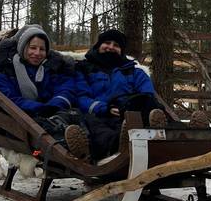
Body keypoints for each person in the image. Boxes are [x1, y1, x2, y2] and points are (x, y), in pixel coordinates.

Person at [0, 25, 88, 159]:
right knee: (47, 127)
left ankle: (85, 145)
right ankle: (69, 149)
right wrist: (41, 108)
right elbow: (9, 98)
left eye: (42, 49)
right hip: (22, 121)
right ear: (23, 47)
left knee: (75, 116)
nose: (37, 53)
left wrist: (56, 103)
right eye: (33, 48)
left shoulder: (52, 67)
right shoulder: (6, 70)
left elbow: (65, 86)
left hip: (53, 113)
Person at [73, 29, 173, 161]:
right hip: (100, 114)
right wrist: (105, 108)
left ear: (121, 50)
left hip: (130, 112)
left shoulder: (133, 71)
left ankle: (182, 134)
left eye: (116, 45)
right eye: (107, 43)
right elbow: (81, 97)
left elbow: (147, 92)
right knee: (94, 126)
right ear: (99, 45)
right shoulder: (83, 69)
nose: (111, 47)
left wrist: (132, 106)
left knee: (150, 105)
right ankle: (117, 148)